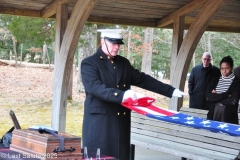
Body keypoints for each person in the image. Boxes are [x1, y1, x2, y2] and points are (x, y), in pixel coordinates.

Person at [81, 29, 187, 160]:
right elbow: (94, 87)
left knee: (121, 156)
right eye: (113, 43)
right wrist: (122, 95)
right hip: (100, 124)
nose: (117, 47)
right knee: (102, 156)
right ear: (103, 41)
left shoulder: (123, 63)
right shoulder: (89, 63)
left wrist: (169, 90)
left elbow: (142, 79)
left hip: (120, 121)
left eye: (119, 44)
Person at [206, 56, 240, 124]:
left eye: (227, 68)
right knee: (212, 133)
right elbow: (208, 97)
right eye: (222, 68)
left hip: (229, 116)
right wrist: (226, 95)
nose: (224, 71)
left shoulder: (237, 82)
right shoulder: (215, 80)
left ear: (232, 68)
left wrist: (215, 97)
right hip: (213, 113)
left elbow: (233, 101)